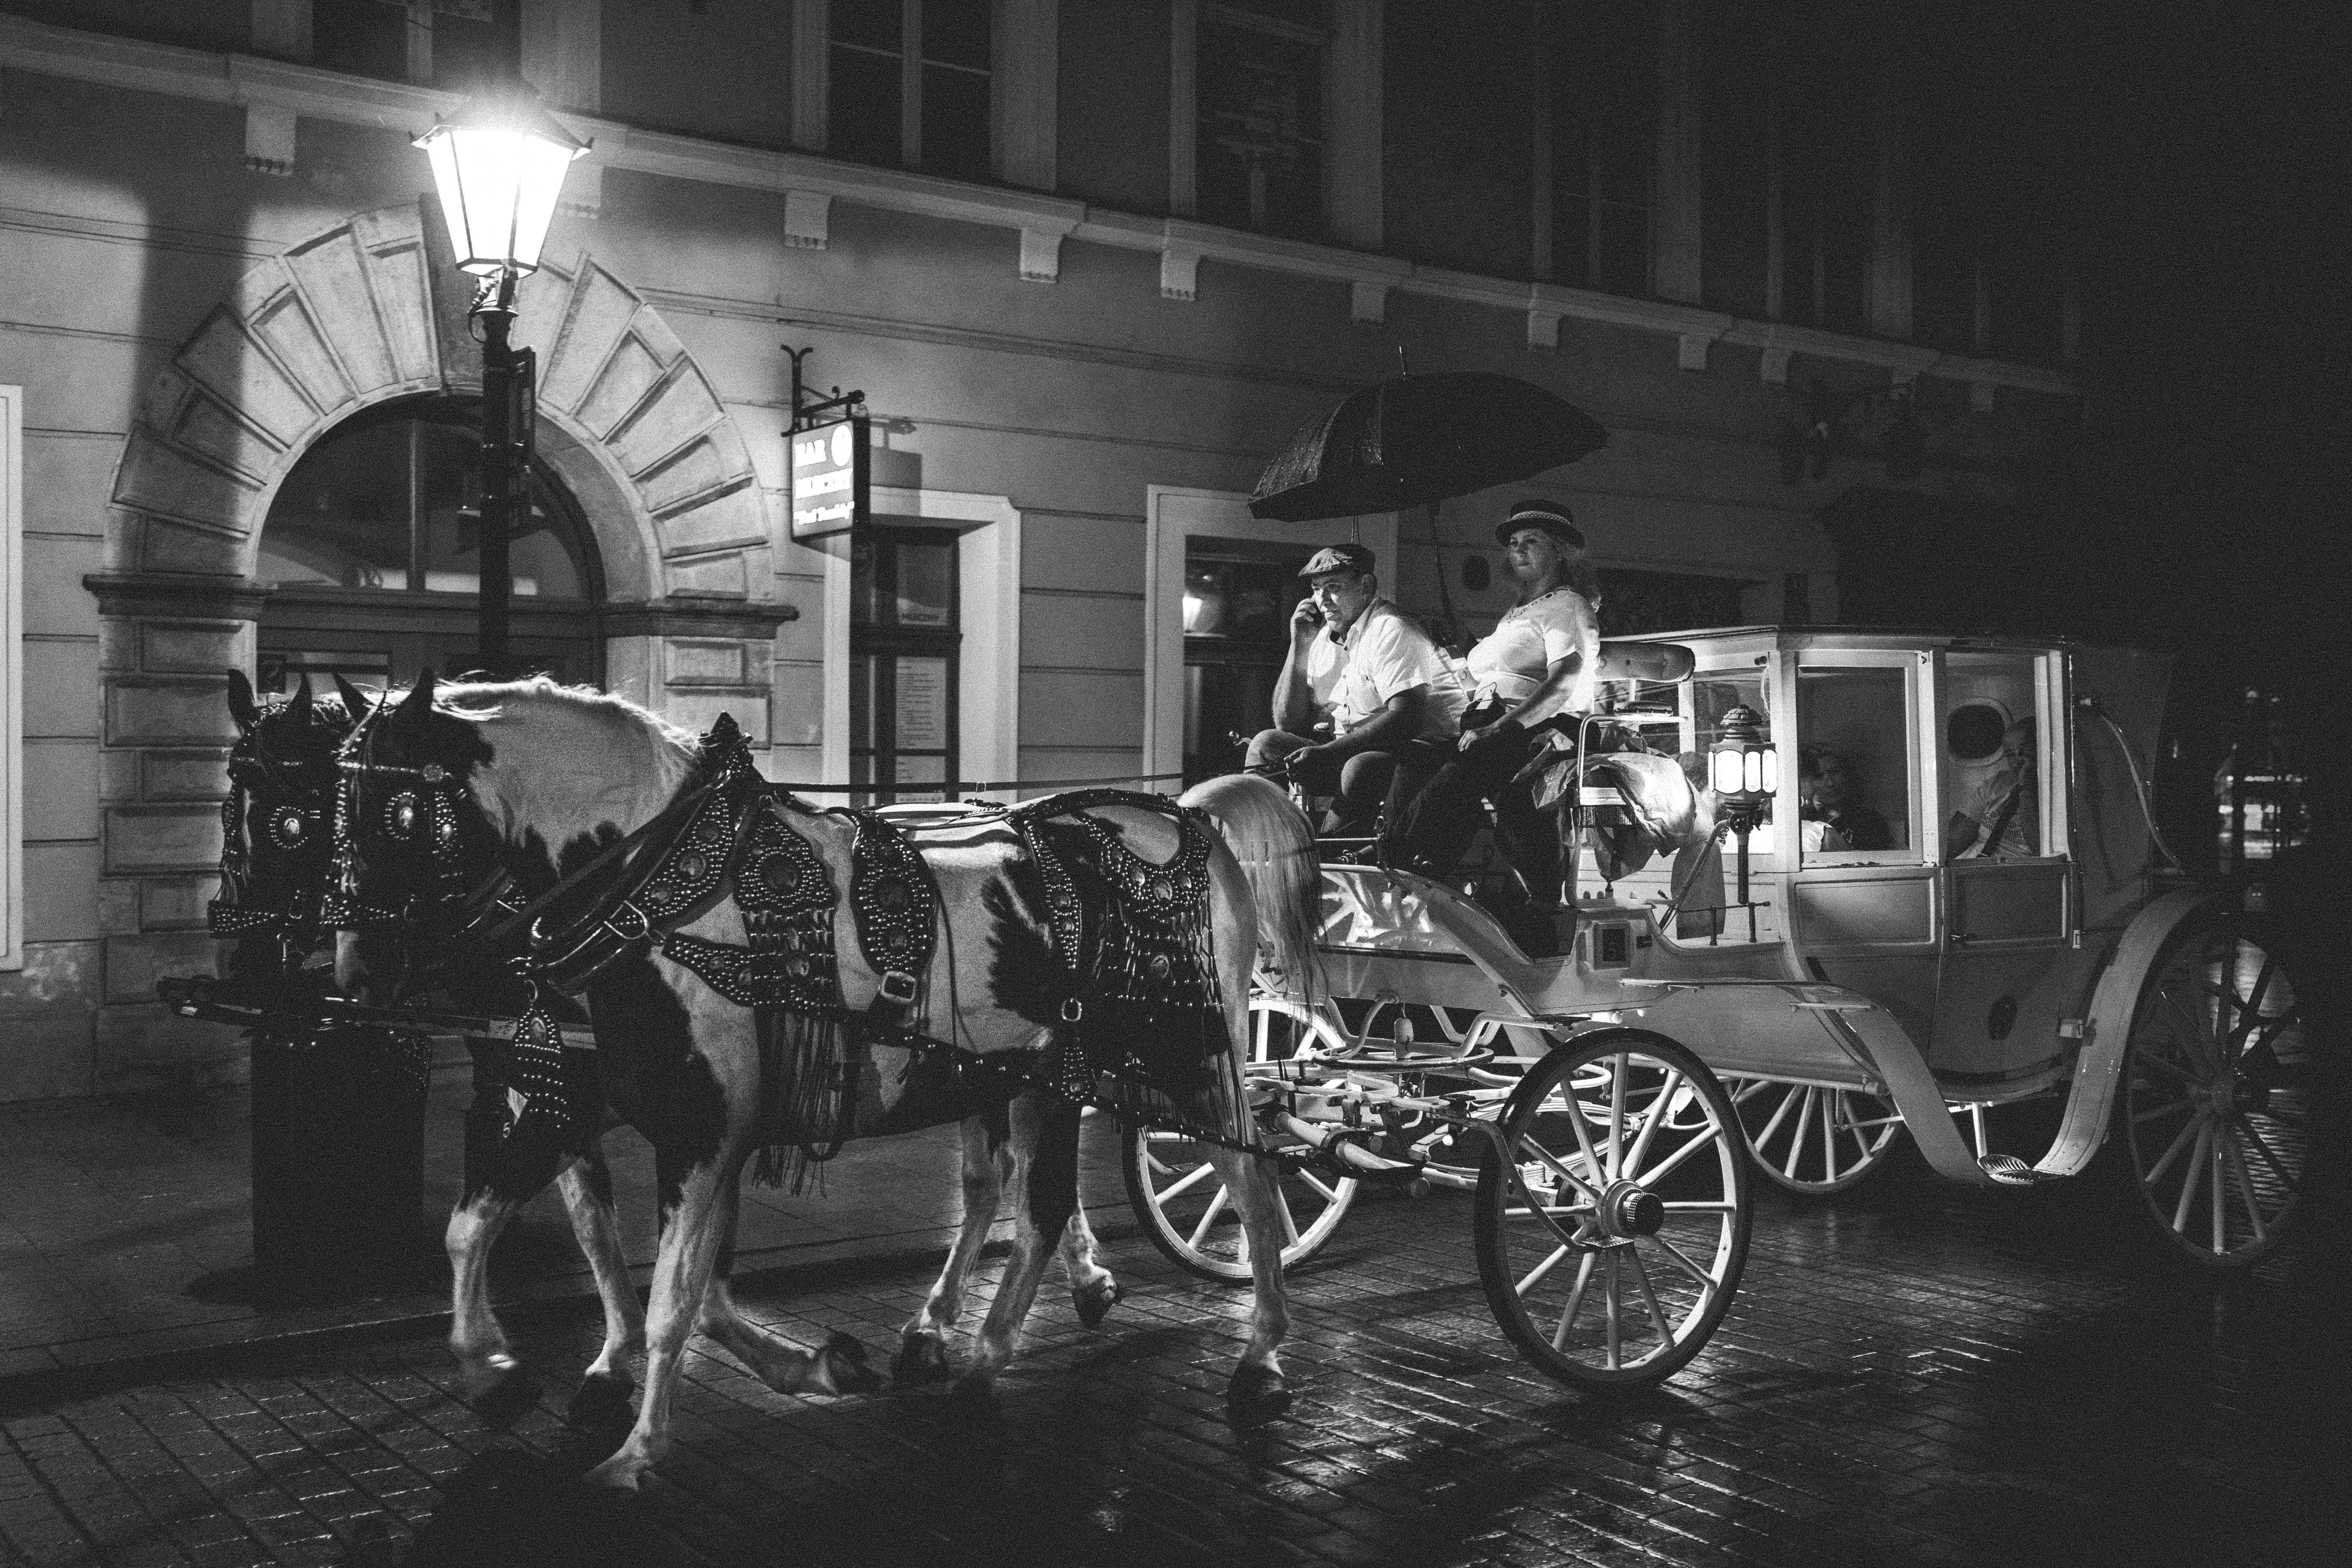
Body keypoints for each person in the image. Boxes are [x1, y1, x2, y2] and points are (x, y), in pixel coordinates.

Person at [1387, 500, 1601, 947]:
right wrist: (1457, 645)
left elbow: (1564, 681)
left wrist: (1501, 728)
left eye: (1531, 542)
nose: (1517, 551)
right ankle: (1415, 867)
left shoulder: (1566, 605)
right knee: (1417, 753)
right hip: (1487, 718)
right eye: (1513, 544)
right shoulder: (1516, 613)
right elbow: (1480, 679)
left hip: (1541, 727)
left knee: (1472, 761)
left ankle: (1401, 861)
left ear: (1560, 552)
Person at [1243, 543, 1466, 835]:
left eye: (1333, 586)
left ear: (1366, 586)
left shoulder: (1393, 627)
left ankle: (1329, 852)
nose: (1322, 600)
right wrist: (1299, 644)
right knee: (1266, 744)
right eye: (1316, 588)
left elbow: (1405, 719)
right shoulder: (1325, 637)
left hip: (1421, 756)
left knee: (1358, 766)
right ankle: (1266, 843)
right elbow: (1288, 721)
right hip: (1353, 753)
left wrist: (1328, 753)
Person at [1947, 718, 2038, 858]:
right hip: (1975, 866)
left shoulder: (2055, 794)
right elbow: (1954, 841)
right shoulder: (1996, 785)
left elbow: (2042, 853)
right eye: (2010, 755)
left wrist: (2026, 789)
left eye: (2024, 752)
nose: (2018, 761)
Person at [1799, 746, 1893, 851]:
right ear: (1808, 782)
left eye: (1835, 773)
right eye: (1819, 777)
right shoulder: (1803, 822)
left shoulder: (1869, 821)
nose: (1830, 783)